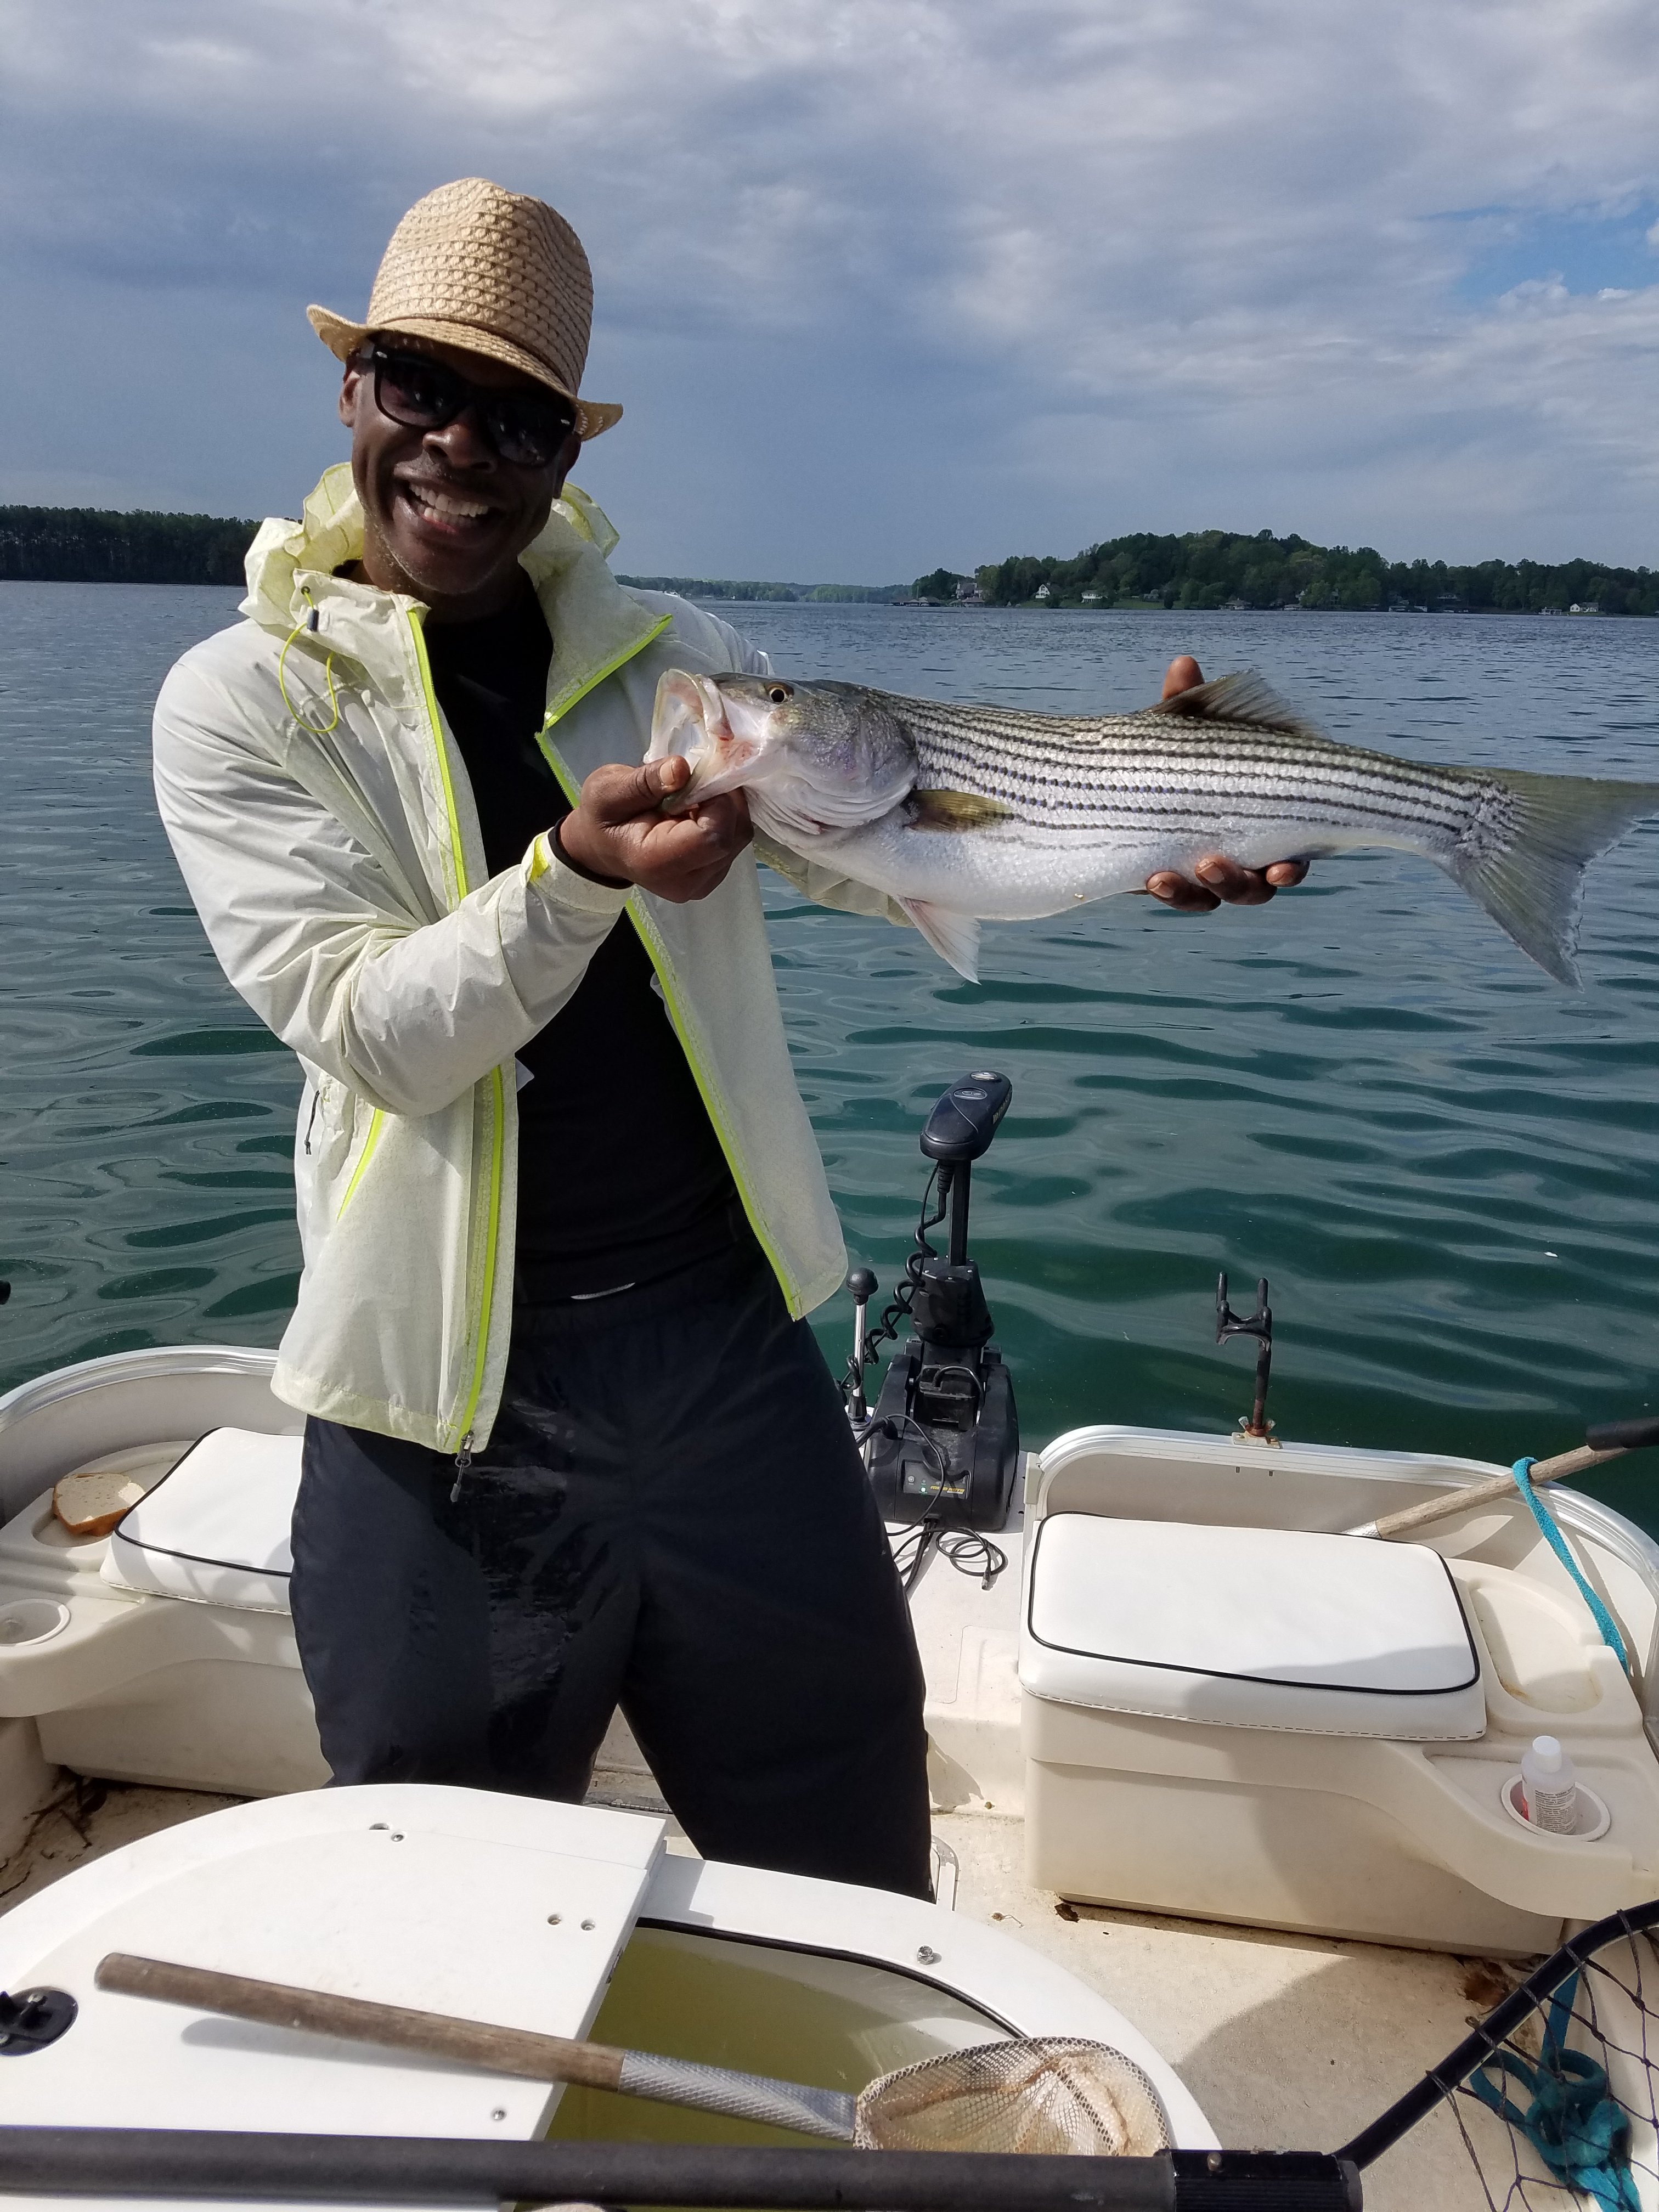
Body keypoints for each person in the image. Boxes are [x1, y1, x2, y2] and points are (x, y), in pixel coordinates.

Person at [153, 178, 1308, 1900]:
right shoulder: (243, 701)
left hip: (726, 1351)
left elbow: (872, 851)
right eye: (421, 387)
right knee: (435, 1883)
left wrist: (1142, 819)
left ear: (568, 447)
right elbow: (368, 1029)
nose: (461, 446)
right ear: (351, 388)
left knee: (851, 1841)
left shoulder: (672, 657)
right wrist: (572, 878)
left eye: (519, 417)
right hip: (443, 1391)